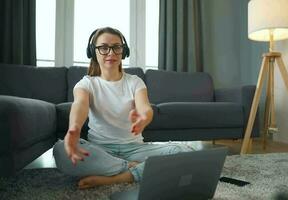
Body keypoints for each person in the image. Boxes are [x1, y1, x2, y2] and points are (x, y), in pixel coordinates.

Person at [53, 27, 192, 189]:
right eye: (104, 47)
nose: (110, 53)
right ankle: (131, 167)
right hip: (100, 150)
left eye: (116, 47)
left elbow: (145, 108)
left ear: (123, 51)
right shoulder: (86, 84)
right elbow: (80, 105)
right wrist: (74, 129)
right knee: (60, 149)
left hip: (135, 149)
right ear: (93, 52)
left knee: (185, 152)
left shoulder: (135, 81)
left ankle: (119, 176)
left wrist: (144, 117)